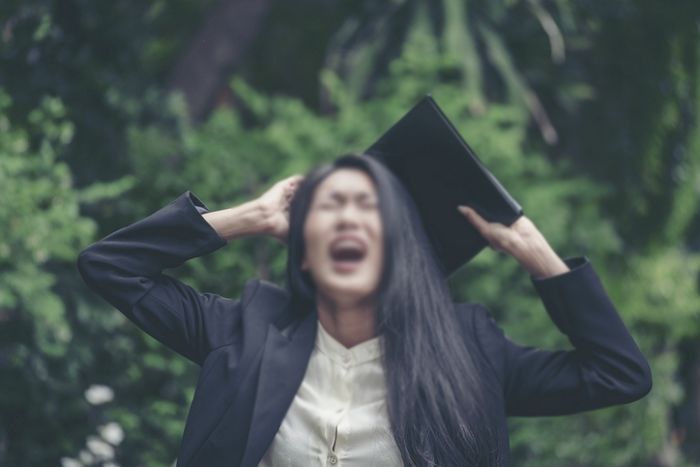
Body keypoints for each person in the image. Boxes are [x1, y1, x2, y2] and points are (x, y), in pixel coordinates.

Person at [77, 154, 652, 467]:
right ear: (303, 249)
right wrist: (249, 216)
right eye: (330, 208)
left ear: (403, 245)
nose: (349, 219)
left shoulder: (469, 348)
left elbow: (617, 374)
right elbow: (110, 267)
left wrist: (536, 254)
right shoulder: (245, 327)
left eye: (369, 209)